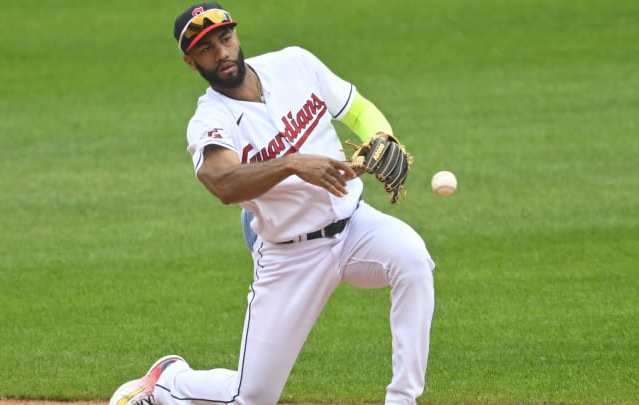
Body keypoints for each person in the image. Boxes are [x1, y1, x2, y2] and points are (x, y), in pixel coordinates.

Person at [110, 3, 436, 405]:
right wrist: (291, 164)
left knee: (413, 261)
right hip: (289, 256)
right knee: (251, 398)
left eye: (225, 39)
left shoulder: (294, 64)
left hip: (355, 228)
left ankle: (403, 399)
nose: (221, 53)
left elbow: (358, 109)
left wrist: (382, 136)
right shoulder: (211, 118)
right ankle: (168, 381)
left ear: (236, 36)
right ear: (191, 62)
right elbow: (222, 182)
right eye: (206, 49)